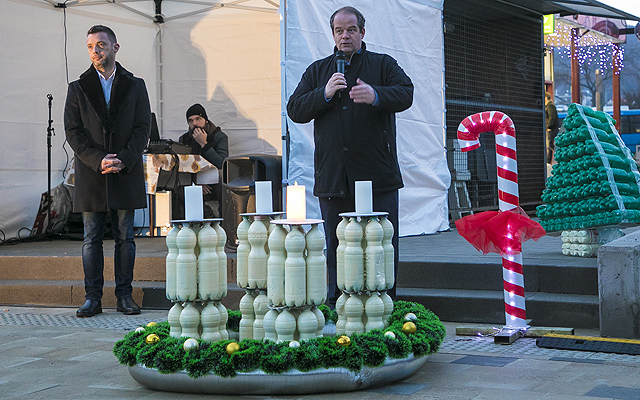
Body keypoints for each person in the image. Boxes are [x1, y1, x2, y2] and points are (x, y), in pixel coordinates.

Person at [286, 6, 414, 305]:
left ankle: (384, 304)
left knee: (380, 245)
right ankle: (337, 305)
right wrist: (324, 94)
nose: (345, 36)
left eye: (351, 30)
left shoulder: (382, 64)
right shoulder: (319, 71)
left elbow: (406, 93)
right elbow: (295, 109)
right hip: (334, 177)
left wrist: (377, 95)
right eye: (339, 30)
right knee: (337, 245)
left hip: (377, 175)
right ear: (332, 34)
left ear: (362, 32)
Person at [64, 25, 151, 317]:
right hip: (92, 173)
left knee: (126, 237)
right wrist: (98, 159)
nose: (95, 51)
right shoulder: (77, 88)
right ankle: (93, 298)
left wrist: (124, 159)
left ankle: (124, 296)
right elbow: (73, 132)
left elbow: (143, 128)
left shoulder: (135, 85)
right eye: (90, 47)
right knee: (92, 238)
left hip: (125, 172)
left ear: (115, 47)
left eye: (101, 45)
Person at [174, 104, 228, 218]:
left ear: (206, 120)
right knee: (176, 185)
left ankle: (224, 219)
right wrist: (196, 180)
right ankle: (208, 215)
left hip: (214, 181)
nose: (195, 123)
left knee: (223, 178)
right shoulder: (184, 139)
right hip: (194, 180)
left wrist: (204, 144)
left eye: (198, 119)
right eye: (190, 121)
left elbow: (222, 163)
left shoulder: (219, 136)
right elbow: (183, 166)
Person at [545, 92, 559, 164]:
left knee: (549, 145)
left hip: (550, 129)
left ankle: (548, 161)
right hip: (550, 128)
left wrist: (548, 126)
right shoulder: (549, 106)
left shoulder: (549, 106)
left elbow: (552, 117)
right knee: (550, 145)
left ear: (546, 98)